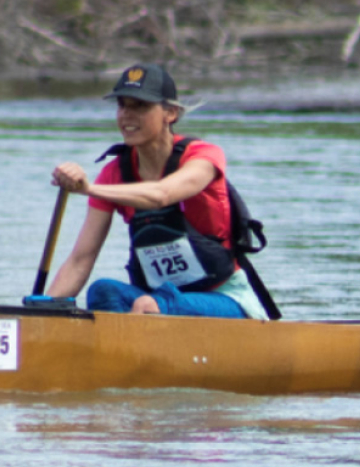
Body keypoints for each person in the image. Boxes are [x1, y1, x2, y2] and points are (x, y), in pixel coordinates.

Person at [44, 62, 269, 319]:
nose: (127, 115)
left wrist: (89, 189)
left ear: (170, 113)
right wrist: (43, 310)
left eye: (140, 106)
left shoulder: (204, 156)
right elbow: (80, 260)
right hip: (156, 302)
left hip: (225, 299)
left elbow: (162, 195)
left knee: (150, 305)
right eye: (122, 105)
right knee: (103, 291)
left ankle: (134, 349)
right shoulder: (114, 173)